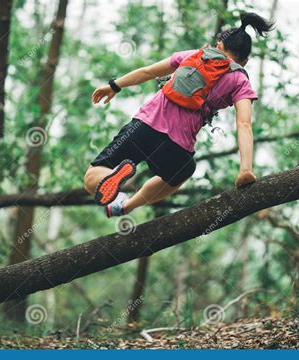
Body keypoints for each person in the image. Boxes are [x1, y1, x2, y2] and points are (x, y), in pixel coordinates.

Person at [84, 12, 274, 217]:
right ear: (245, 61)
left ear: (219, 46)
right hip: (177, 147)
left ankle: (114, 180)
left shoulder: (194, 55)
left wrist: (114, 85)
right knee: (181, 172)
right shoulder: (240, 80)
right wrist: (245, 169)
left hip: (144, 126)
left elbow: (149, 72)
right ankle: (126, 205)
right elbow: (244, 124)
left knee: (92, 178)